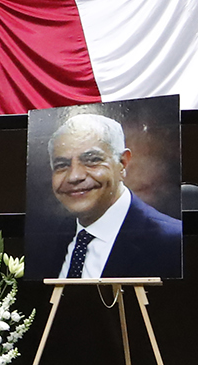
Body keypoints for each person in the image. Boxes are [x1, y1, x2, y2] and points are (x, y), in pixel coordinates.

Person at [30, 110, 182, 281]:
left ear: (122, 163)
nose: (74, 176)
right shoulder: (46, 240)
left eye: (92, 160)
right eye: (62, 165)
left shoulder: (173, 243)